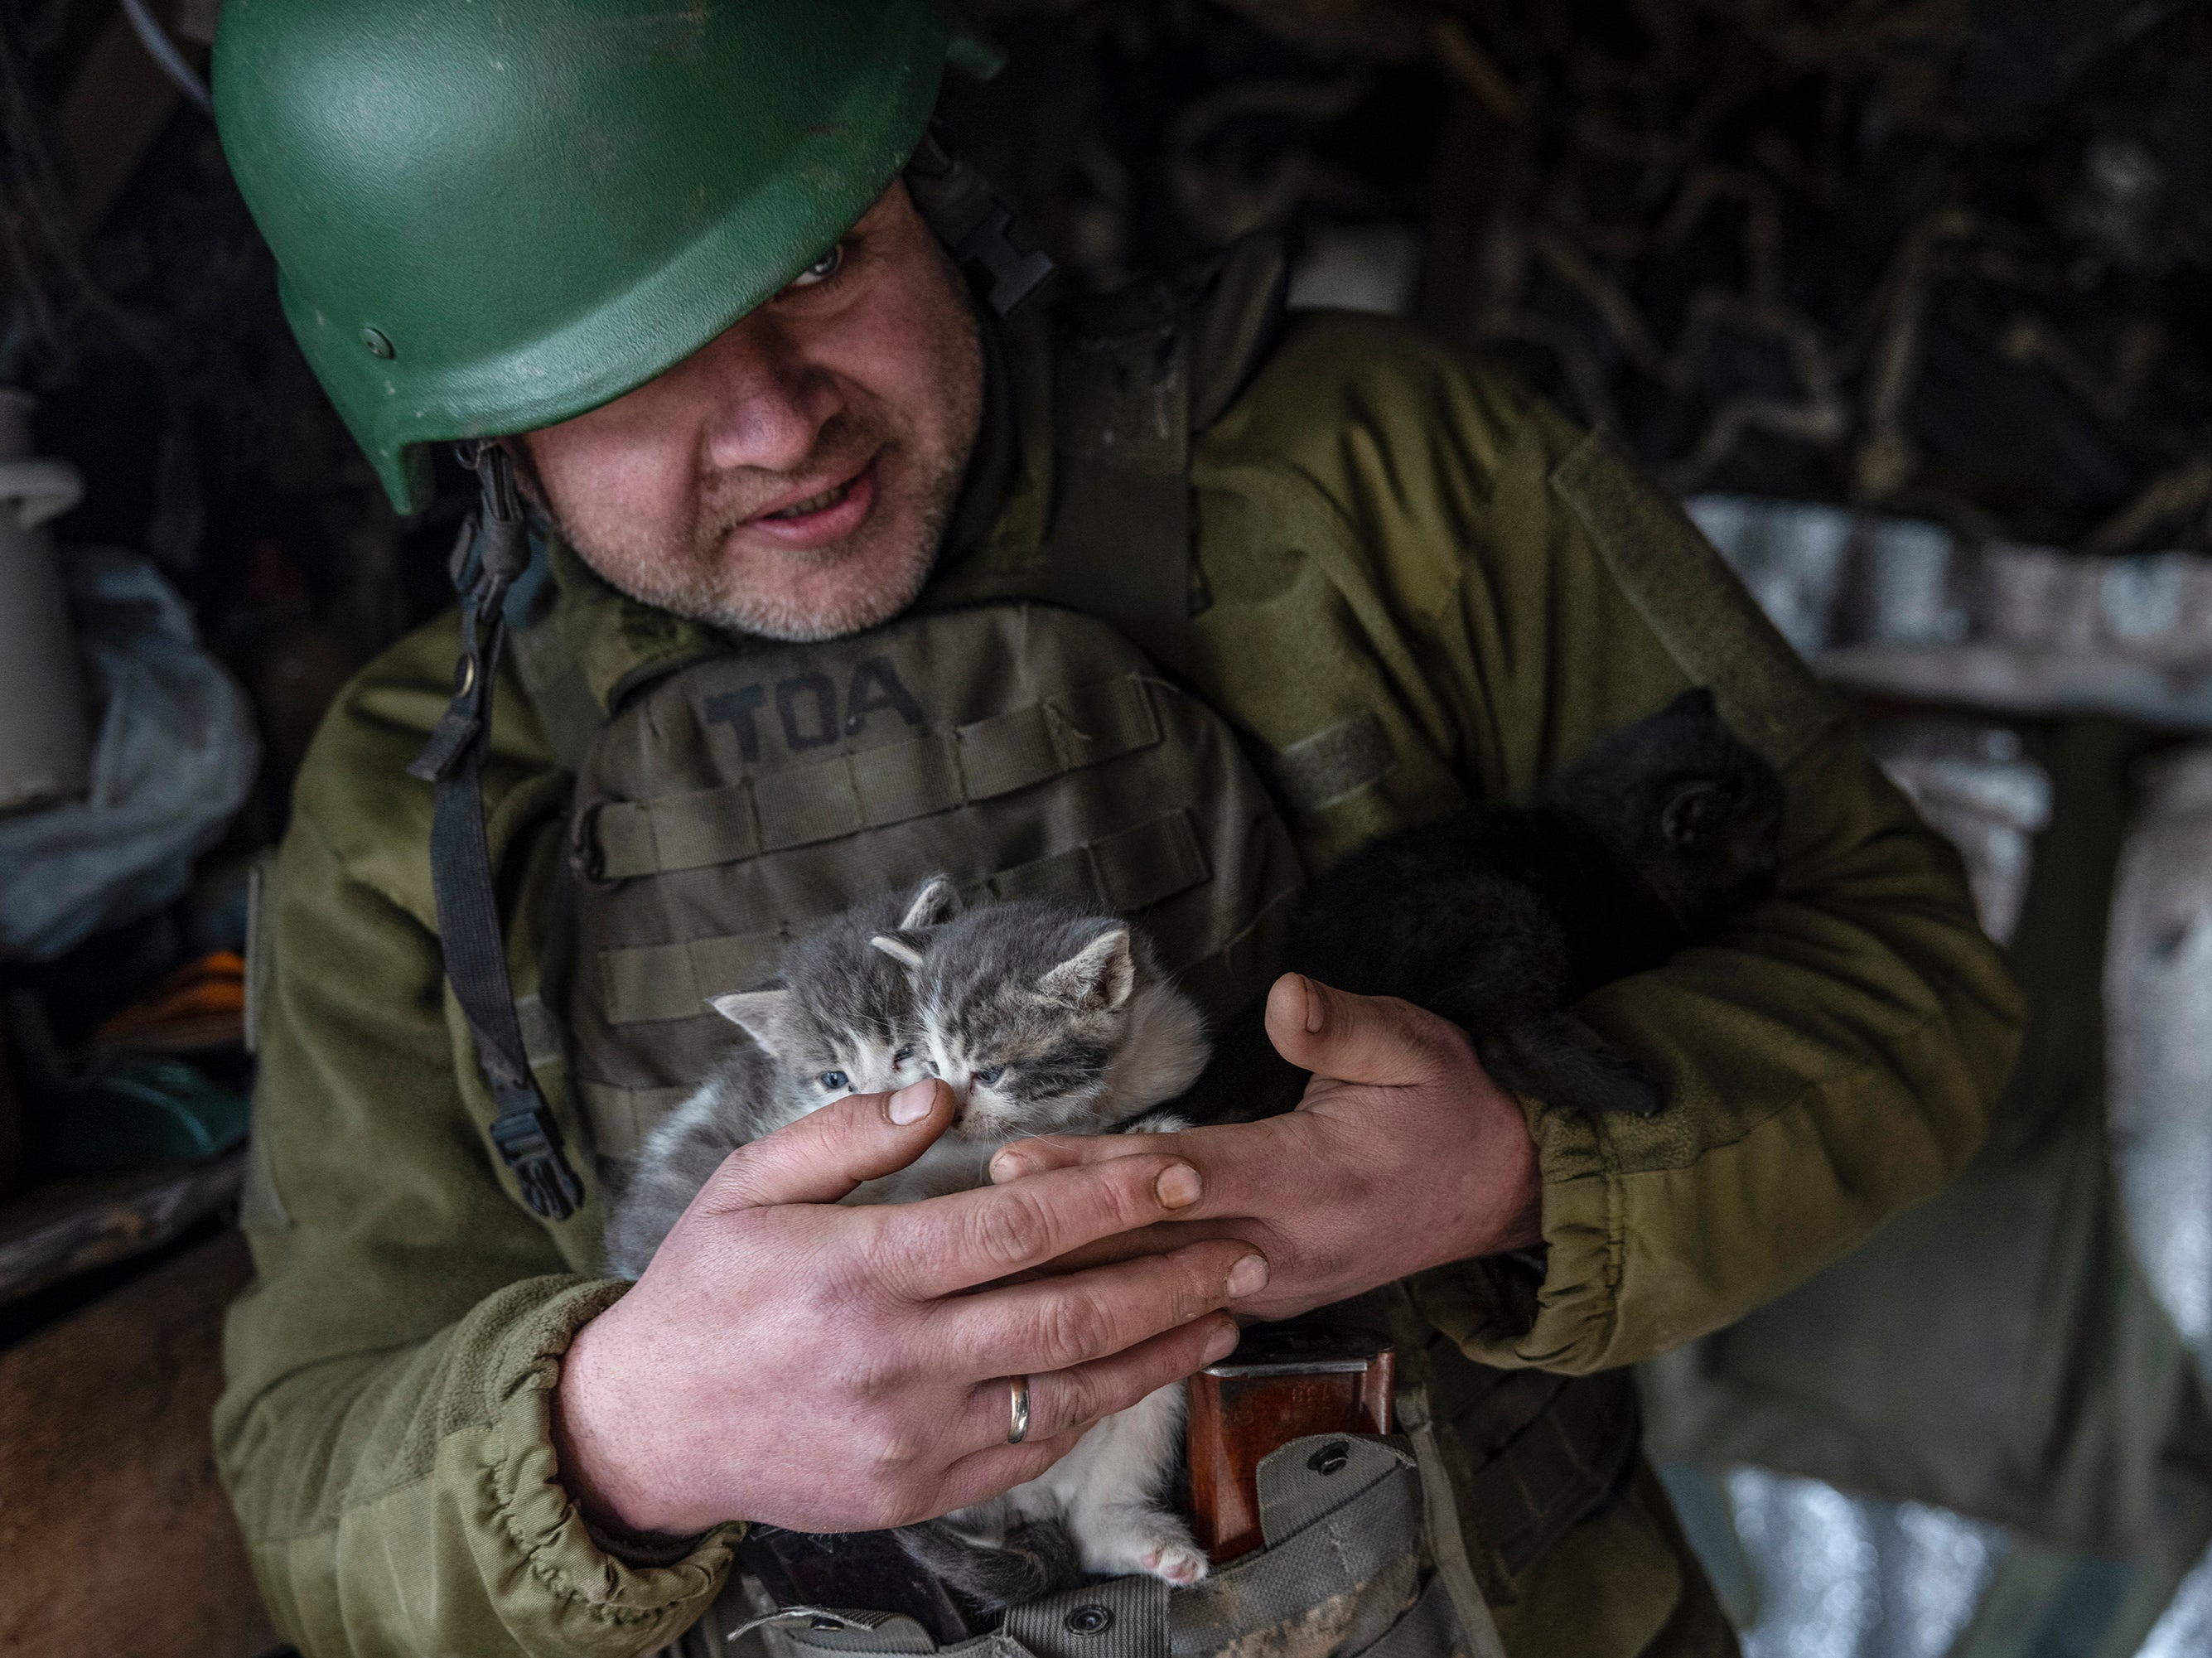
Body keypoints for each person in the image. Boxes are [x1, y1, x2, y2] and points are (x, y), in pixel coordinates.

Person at [207, 3, 2023, 1656]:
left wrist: (1506, 1173)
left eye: (823, 256)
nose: (773, 421)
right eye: (626, 365)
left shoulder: (1375, 475)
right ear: (477, 435)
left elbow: (1916, 992)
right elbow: (309, 1480)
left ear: (929, 184)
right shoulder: (410, 806)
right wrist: (619, 1432)